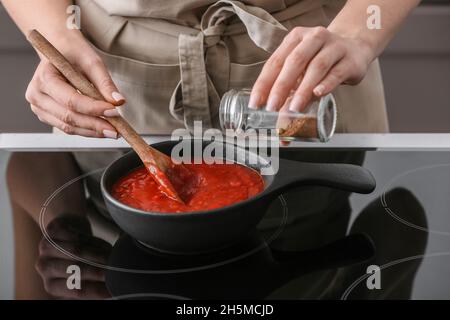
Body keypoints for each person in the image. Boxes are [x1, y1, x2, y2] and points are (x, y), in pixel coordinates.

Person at [3, 0, 421, 299]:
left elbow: (26, 171)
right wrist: (59, 33)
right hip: (115, 81)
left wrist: (358, 31)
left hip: (306, 70)